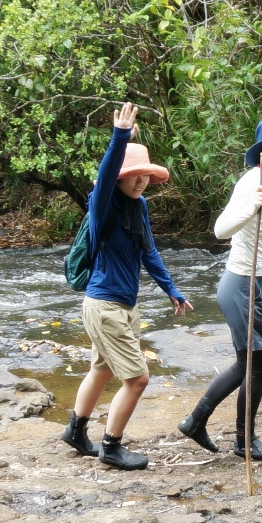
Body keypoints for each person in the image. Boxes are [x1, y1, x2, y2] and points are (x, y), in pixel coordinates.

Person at [60, 103, 193, 470]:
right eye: (132, 175)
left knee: (102, 370)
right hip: (104, 306)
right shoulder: (103, 205)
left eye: (144, 175)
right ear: (118, 179)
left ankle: (75, 430)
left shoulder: (141, 206)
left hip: (121, 306)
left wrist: (171, 288)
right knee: (138, 379)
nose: (140, 181)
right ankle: (111, 446)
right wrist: (120, 137)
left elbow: (148, 251)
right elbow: (104, 177)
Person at [178, 113, 262, 460]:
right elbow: (220, 230)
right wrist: (249, 207)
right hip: (242, 284)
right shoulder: (250, 184)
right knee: (253, 364)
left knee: (256, 363)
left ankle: (216, 429)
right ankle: (230, 435)